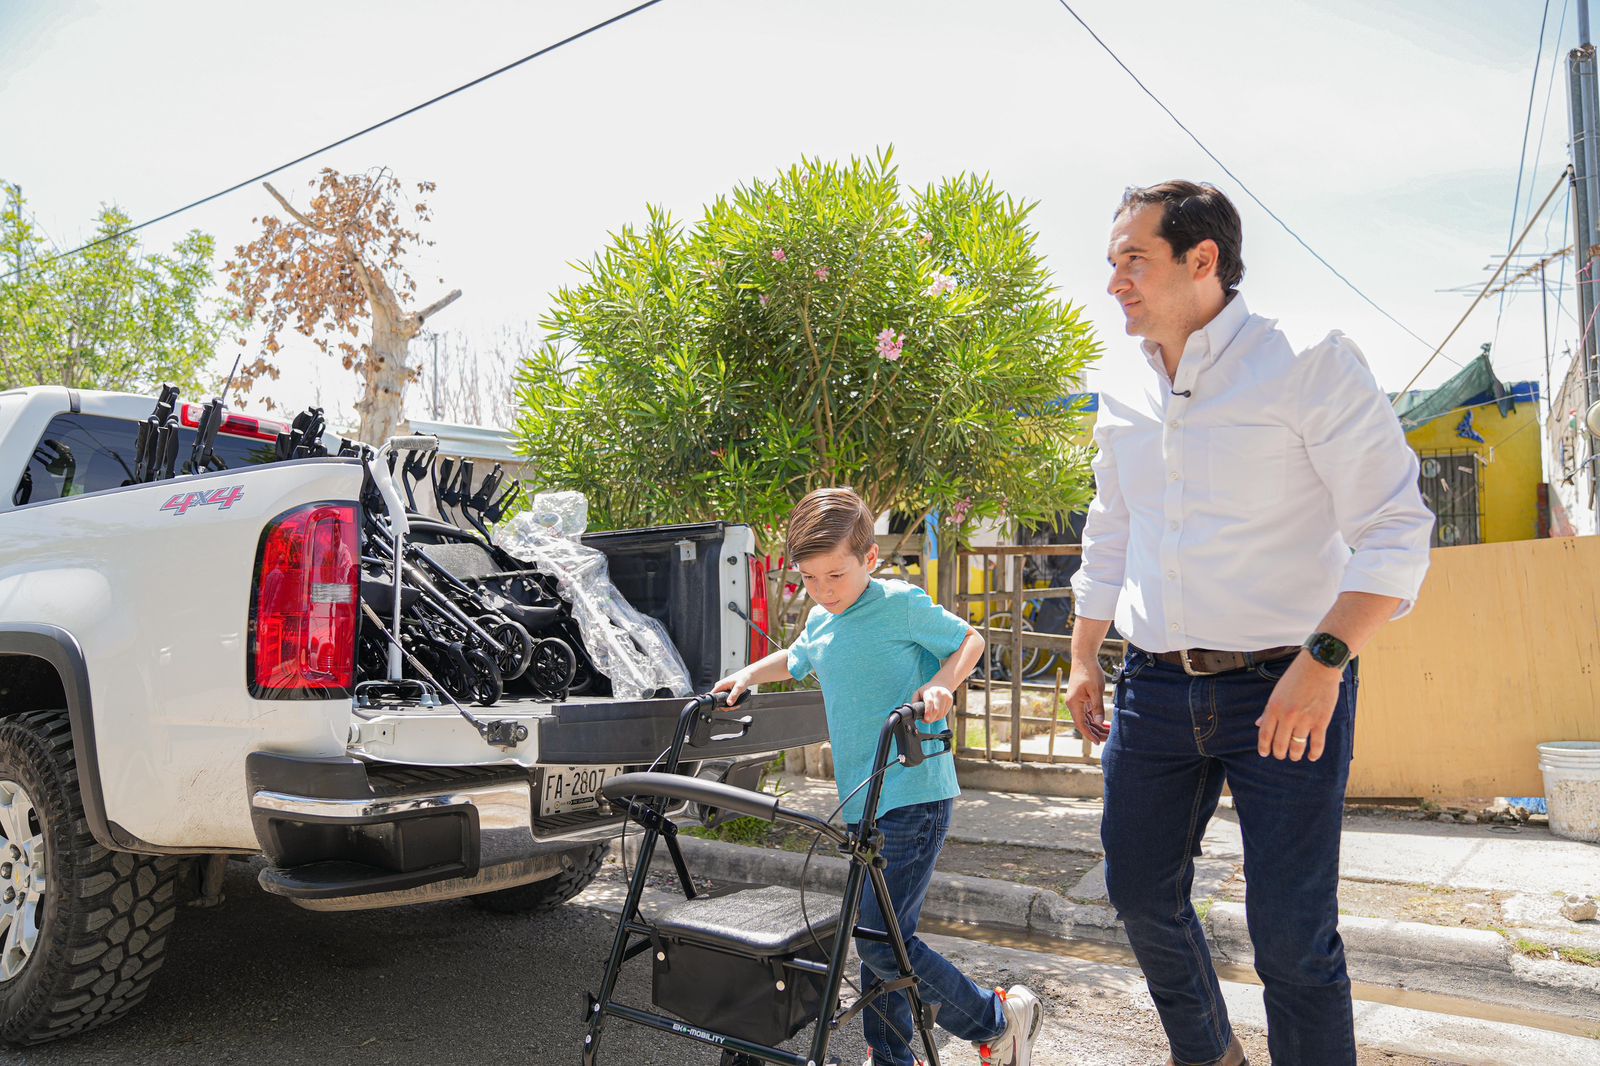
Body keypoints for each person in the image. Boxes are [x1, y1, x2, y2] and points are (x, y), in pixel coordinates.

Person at [1063, 181, 1434, 1066]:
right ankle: (1210, 1054)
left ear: (1204, 260)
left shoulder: (1307, 362)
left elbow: (1396, 528)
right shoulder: (1123, 384)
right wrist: (1083, 654)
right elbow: (1112, 525)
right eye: (1112, 262)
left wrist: (1325, 662)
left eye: (1134, 260)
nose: (1115, 281)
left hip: (1286, 684)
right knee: (1138, 892)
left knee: (1292, 937)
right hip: (1153, 685)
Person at [715, 487, 1043, 1066]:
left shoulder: (899, 603)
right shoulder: (822, 618)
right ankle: (891, 1055)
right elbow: (796, 657)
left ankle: (997, 1021)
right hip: (863, 802)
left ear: (869, 558)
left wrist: (940, 683)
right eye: (809, 578)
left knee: (878, 940)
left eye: (835, 575)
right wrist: (746, 675)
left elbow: (970, 640)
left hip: (914, 794)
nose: (823, 590)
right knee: (879, 935)